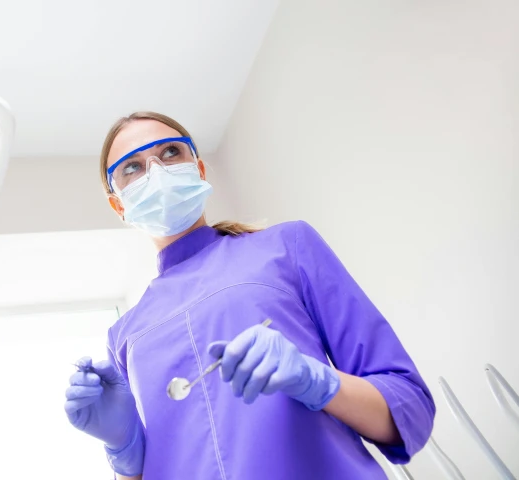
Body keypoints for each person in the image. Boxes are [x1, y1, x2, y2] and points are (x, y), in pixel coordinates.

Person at [63, 112, 436, 479]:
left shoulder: (286, 246)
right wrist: (124, 452)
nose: (156, 172)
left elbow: (409, 409)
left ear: (199, 168)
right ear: (118, 205)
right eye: (132, 167)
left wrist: (318, 381)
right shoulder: (125, 333)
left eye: (171, 152)